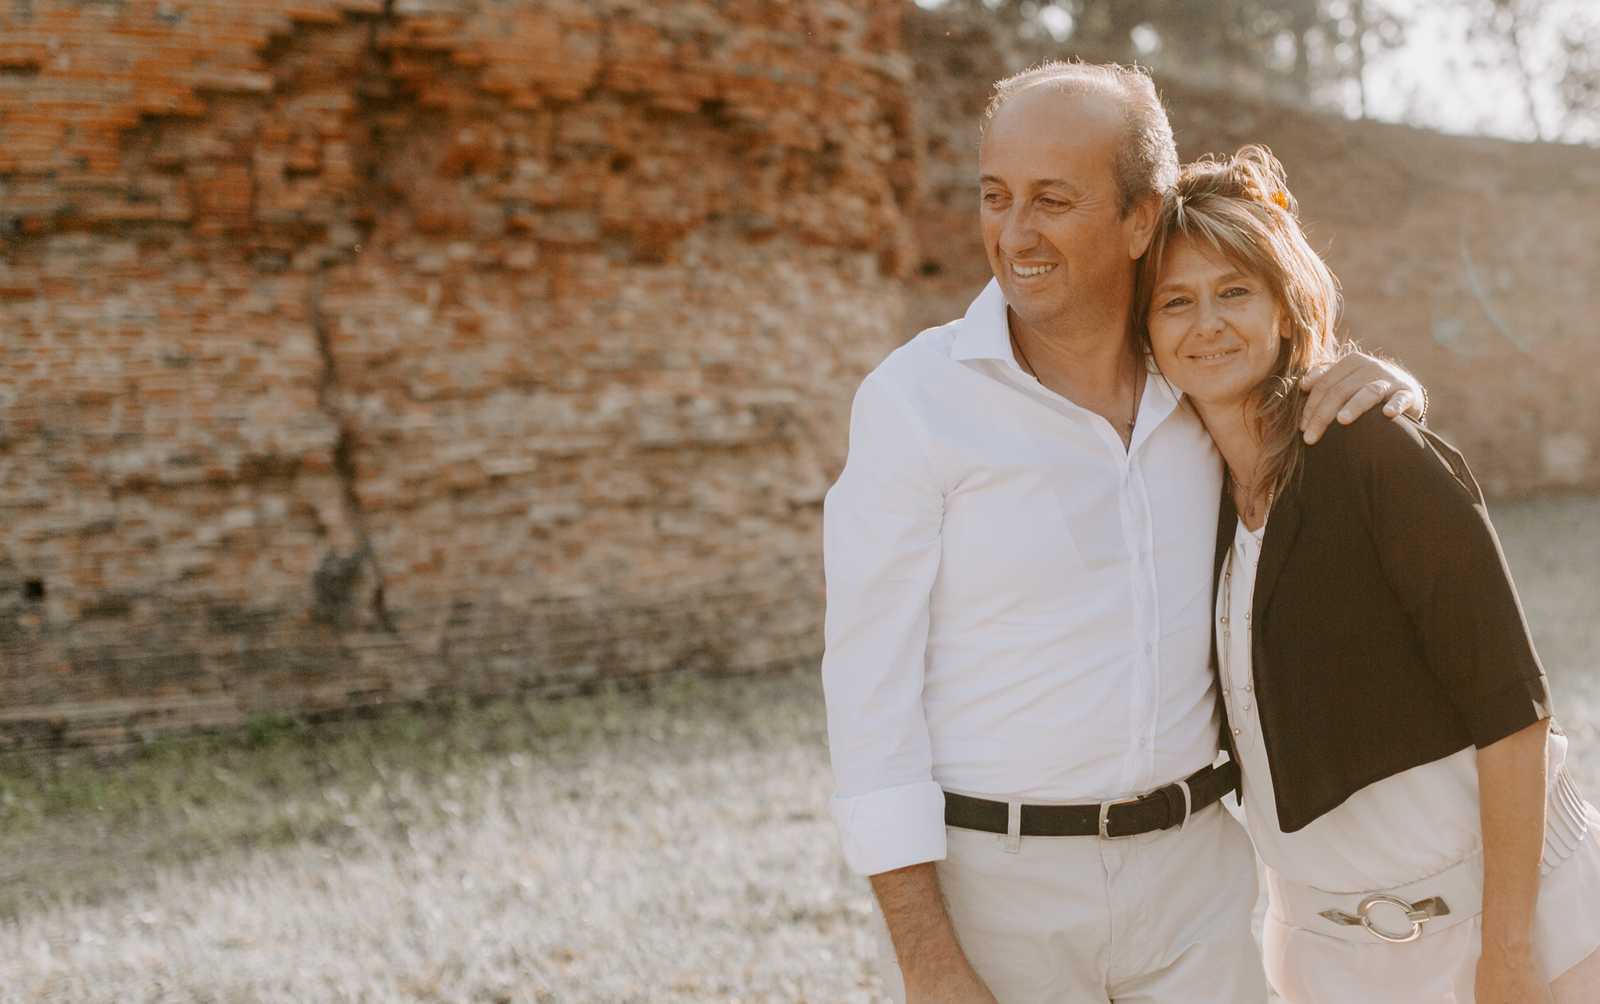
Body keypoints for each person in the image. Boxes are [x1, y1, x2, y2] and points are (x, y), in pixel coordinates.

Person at [821, 62, 1424, 1003]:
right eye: (995, 196)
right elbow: (869, 698)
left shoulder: (1204, 381)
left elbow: (1301, 383)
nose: (1013, 233)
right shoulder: (914, 402)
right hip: (998, 896)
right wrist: (928, 962)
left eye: (1052, 200)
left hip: (1198, 887)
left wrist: (1389, 386)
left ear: (1141, 218)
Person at [1136, 144, 1600, 1004]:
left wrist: (1506, 955)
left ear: (1286, 308)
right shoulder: (1184, 493)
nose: (1207, 323)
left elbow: (1514, 715)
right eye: (1176, 301)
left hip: (1522, 932)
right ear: (1149, 333)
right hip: (1326, 958)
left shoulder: (1372, 453)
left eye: (1234, 291)